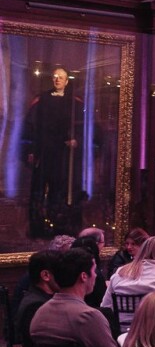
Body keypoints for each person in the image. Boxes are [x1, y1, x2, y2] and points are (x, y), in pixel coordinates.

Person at [22, 65, 85, 236]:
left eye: (61, 77)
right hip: (44, 153)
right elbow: (30, 127)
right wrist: (31, 150)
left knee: (61, 190)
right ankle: (38, 227)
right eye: (55, 76)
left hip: (65, 155)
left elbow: (83, 126)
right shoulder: (41, 100)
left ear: (66, 81)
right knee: (40, 189)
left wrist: (76, 140)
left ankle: (61, 227)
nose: (57, 80)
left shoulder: (75, 103)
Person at [106, 235, 155, 328]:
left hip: (122, 330)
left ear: (142, 250)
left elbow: (106, 306)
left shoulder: (120, 272)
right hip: (154, 330)